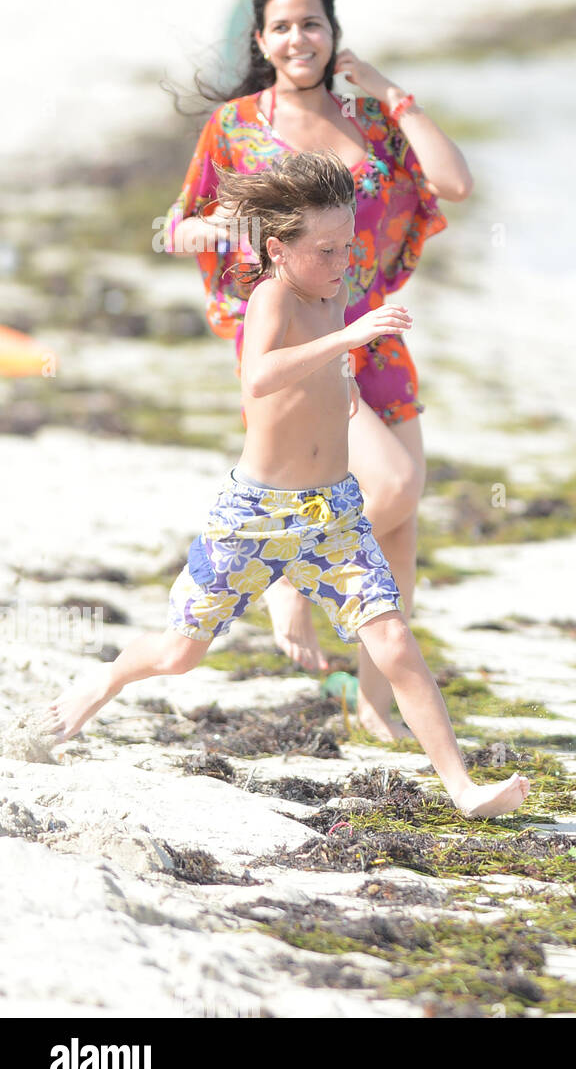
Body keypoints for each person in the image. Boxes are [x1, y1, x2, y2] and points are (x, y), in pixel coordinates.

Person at [47, 153, 529, 819]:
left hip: (333, 511)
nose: (342, 260)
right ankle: (108, 677)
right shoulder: (272, 294)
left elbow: (315, 376)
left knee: (393, 638)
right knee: (180, 653)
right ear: (279, 248)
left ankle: (464, 788)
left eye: (349, 244)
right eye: (327, 249)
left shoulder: (331, 293)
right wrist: (348, 342)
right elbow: (259, 377)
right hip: (254, 513)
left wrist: (348, 383)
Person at [162, 0, 474, 742]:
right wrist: (221, 232)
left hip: (370, 329)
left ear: (333, 33)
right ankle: (290, 572)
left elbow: (452, 182)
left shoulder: (369, 115)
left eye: (312, 23)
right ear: (261, 41)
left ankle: (375, 704)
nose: (298, 39)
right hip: (294, 337)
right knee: (392, 483)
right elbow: (176, 225)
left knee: (399, 525)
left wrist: (391, 90)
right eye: (282, 27)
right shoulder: (235, 126)